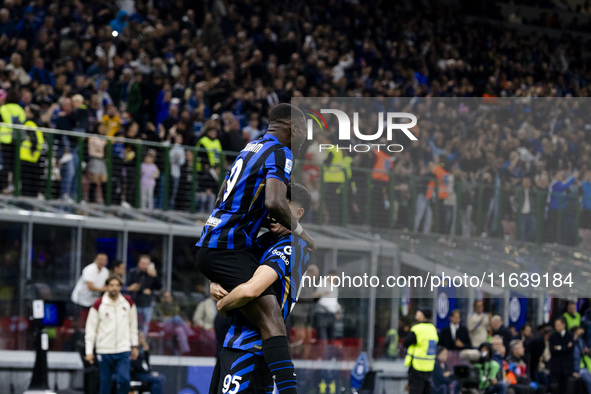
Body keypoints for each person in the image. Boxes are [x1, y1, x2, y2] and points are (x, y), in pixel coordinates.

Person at [196, 103, 315, 394]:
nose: (301, 143)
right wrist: (304, 234)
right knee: (272, 317)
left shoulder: (250, 147)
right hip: (228, 249)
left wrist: (217, 275)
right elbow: (274, 201)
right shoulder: (280, 152)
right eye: (302, 136)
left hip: (216, 242)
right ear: (294, 129)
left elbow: (223, 195)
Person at [208, 182, 312, 394]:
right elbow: (230, 272)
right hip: (234, 343)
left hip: (254, 347)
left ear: (298, 213)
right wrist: (215, 282)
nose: (273, 211)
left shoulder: (294, 245)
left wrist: (223, 303)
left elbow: (250, 290)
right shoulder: (262, 240)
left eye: (285, 204)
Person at [84, 274, 139, 394]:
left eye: (117, 285)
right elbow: (91, 329)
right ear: (107, 287)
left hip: (123, 349)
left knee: (124, 380)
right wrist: (89, 351)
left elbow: (133, 326)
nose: (114, 288)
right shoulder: (98, 304)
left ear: (120, 287)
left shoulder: (128, 303)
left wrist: (134, 345)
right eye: (111, 285)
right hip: (104, 349)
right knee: (105, 383)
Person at [403, 308, 439, 394]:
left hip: (417, 366)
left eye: (418, 313)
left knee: (416, 390)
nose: (416, 314)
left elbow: (406, 342)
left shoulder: (418, 329)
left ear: (422, 316)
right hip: (429, 366)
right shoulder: (433, 329)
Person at [71, 253, 109, 329]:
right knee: (78, 322)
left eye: (104, 260)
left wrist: (105, 289)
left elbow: (105, 285)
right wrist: (105, 289)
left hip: (93, 300)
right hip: (80, 299)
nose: (102, 261)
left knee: (91, 321)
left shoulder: (106, 272)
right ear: (95, 260)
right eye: (100, 259)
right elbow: (90, 287)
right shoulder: (88, 269)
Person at [126, 256, 162, 335]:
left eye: (147, 264)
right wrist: (136, 289)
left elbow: (159, 287)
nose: (145, 266)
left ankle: (142, 343)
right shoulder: (132, 272)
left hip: (147, 303)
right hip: (134, 302)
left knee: (145, 325)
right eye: (143, 263)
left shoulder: (152, 273)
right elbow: (127, 287)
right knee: (134, 324)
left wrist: (155, 276)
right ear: (139, 263)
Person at [0, 89, 26, 193]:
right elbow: (23, 122)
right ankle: (15, 186)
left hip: (5, 139)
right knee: (15, 163)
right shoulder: (21, 109)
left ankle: (4, 187)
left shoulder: (3, 108)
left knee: (5, 164)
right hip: (17, 139)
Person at [549, 317, 574, 390]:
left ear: (564, 325)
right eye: (555, 325)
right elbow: (552, 350)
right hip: (556, 366)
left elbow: (570, 349)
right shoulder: (553, 336)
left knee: (565, 387)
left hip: (566, 367)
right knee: (555, 387)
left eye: (558, 325)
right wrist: (565, 347)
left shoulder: (570, 335)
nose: (556, 327)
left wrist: (559, 348)